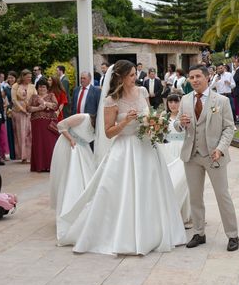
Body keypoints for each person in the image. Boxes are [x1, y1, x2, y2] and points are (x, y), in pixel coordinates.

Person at [57, 60, 186, 255]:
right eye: (132, 75)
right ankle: (123, 235)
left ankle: (156, 232)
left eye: (135, 74)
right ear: (121, 77)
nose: (136, 78)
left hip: (147, 148)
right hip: (125, 149)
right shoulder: (111, 101)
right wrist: (125, 121)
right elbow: (108, 133)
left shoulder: (142, 92)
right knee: (125, 191)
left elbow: (149, 115)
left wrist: (153, 124)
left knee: (151, 189)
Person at [176, 64, 239, 251]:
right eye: (191, 77)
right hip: (191, 155)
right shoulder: (185, 100)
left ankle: (233, 235)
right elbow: (178, 127)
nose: (194, 80)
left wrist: (220, 148)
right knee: (195, 197)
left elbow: (229, 127)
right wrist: (180, 124)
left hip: (214, 155)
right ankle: (199, 232)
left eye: (198, 77)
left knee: (222, 195)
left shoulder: (221, 101)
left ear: (206, 78)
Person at [50, 113, 97, 241]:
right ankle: (68, 210)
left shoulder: (97, 128)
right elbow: (61, 125)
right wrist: (70, 138)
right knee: (70, 177)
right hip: (68, 145)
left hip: (83, 149)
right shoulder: (83, 117)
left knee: (86, 177)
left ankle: (83, 211)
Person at [159, 93, 192, 227]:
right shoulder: (163, 117)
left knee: (184, 181)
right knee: (170, 179)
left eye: (176, 102)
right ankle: (172, 210)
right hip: (168, 149)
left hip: (182, 148)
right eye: (170, 102)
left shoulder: (184, 116)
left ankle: (185, 213)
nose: (173, 105)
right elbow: (159, 135)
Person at [28, 78, 59, 172]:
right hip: (36, 124)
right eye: (40, 87)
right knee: (38, 144)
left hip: (48, 124)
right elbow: (28, 108)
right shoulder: (33, 97)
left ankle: (50, 166)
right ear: (37, 88)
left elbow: (55, 106)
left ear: (47, 88)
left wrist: (45, 103)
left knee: (49, 144)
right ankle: (39, 166)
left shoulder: (51, 95)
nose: (41, 88)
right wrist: (38, 108)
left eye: (44, 87)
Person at [11, 69, 36, 163]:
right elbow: (14, 100)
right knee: (21, 134)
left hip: (30, 112)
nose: (29, 78)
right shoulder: (15, 86)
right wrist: (22, 109)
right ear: (23, 76)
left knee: (30, 134)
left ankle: (30, 155)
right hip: (19, 112)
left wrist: (32, 108)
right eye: (28, 77)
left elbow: (36, 98)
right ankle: (23, 156)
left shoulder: (32, 86)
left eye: (30, 77)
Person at [3, 71, 17, 160]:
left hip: (19, 110)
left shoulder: (18, 87)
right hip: (9, 111)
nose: (10, 79)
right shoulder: (6, 88)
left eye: (12, 77)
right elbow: (1, 98)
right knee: (10, 131)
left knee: (18, 132)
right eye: (9, 77)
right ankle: (12, 154)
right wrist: (5, 105)